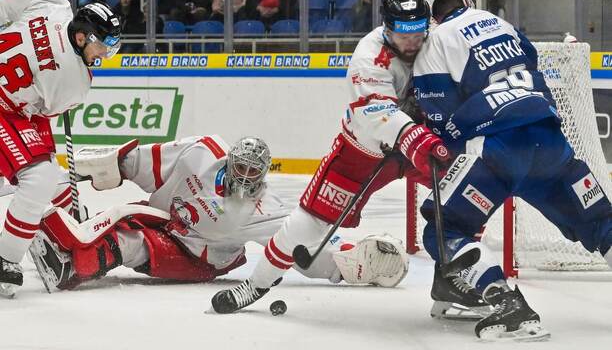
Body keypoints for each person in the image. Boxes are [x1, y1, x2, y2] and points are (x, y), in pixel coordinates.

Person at [210, 0, 454, 314]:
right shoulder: (369, 55)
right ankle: (257, 283)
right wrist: (414, 128)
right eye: (403, 33)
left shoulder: (437, 37)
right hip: (364, 151)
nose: (413, 41)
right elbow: (376, 115)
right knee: (308, 221)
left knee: (463, 190)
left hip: (421, 140)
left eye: (418, 30)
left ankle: (456, 280)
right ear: (387, 26)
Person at [413, 0, 612, 340]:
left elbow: (440, 121)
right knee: (602, 223)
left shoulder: (436, 40)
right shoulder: (499, 23)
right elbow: (533, 66)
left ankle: (505, 303)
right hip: (551, 143)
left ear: (430, 14)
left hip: (496, 154)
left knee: (445, 229)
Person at [29, 136, 409, 292]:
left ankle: (70, 267)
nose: (244, 177)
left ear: (263, 174)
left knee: (133, 244)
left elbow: (304, 250)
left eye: (252, 173)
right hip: (165, 217)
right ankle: (59, 238)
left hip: (198, 257)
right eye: (240, 168)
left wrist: (350, 261)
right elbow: (146, 163)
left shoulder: (265, 209)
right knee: (124, 220)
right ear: (230, 161)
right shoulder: (202, 153)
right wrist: (108, 167)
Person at [0, 0, 122, 298]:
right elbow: (42, 114)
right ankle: (5, 258)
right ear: (83, 37)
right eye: (103, 46)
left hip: (7, 103)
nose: (104, 56)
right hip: (6, 107)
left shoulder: (51, 2)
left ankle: (57, 214)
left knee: (43, 172)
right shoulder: (76, 81)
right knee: (38, 174)